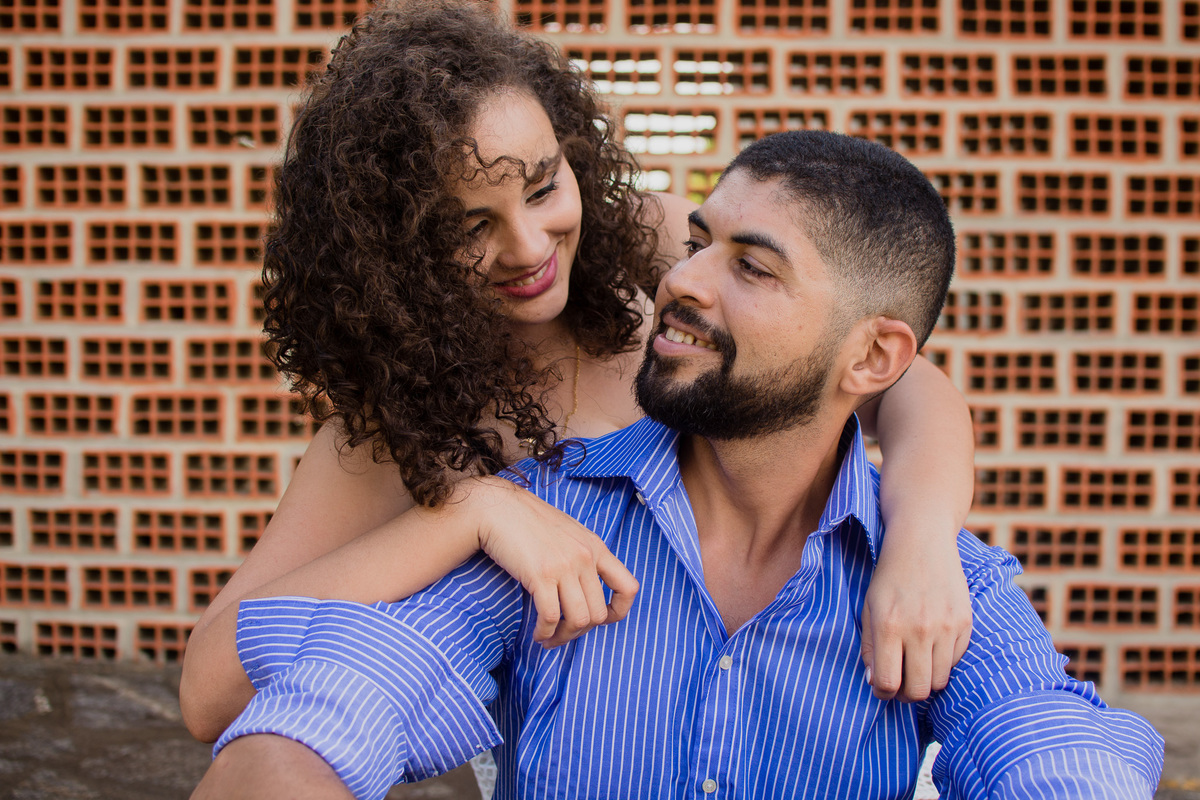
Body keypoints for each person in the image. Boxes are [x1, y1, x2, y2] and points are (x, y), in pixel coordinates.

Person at [191, 130, 1164, 799]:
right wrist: (286, 758)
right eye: (696, 242)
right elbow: (345, 690)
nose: (680, 280)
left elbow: (1049, 742)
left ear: (870, 358)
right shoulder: (548, 519)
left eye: (751, 264)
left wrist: (918, 535)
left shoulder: (946, 586)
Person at [179, 0, 978, 745]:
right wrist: (466, 513)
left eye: (542, 185)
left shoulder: (654, 245)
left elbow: (905, 383)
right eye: (469, 224)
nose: (529, 247)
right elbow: (207, 687)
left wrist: (921, 539)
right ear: (394, 251)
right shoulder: (402, 428)